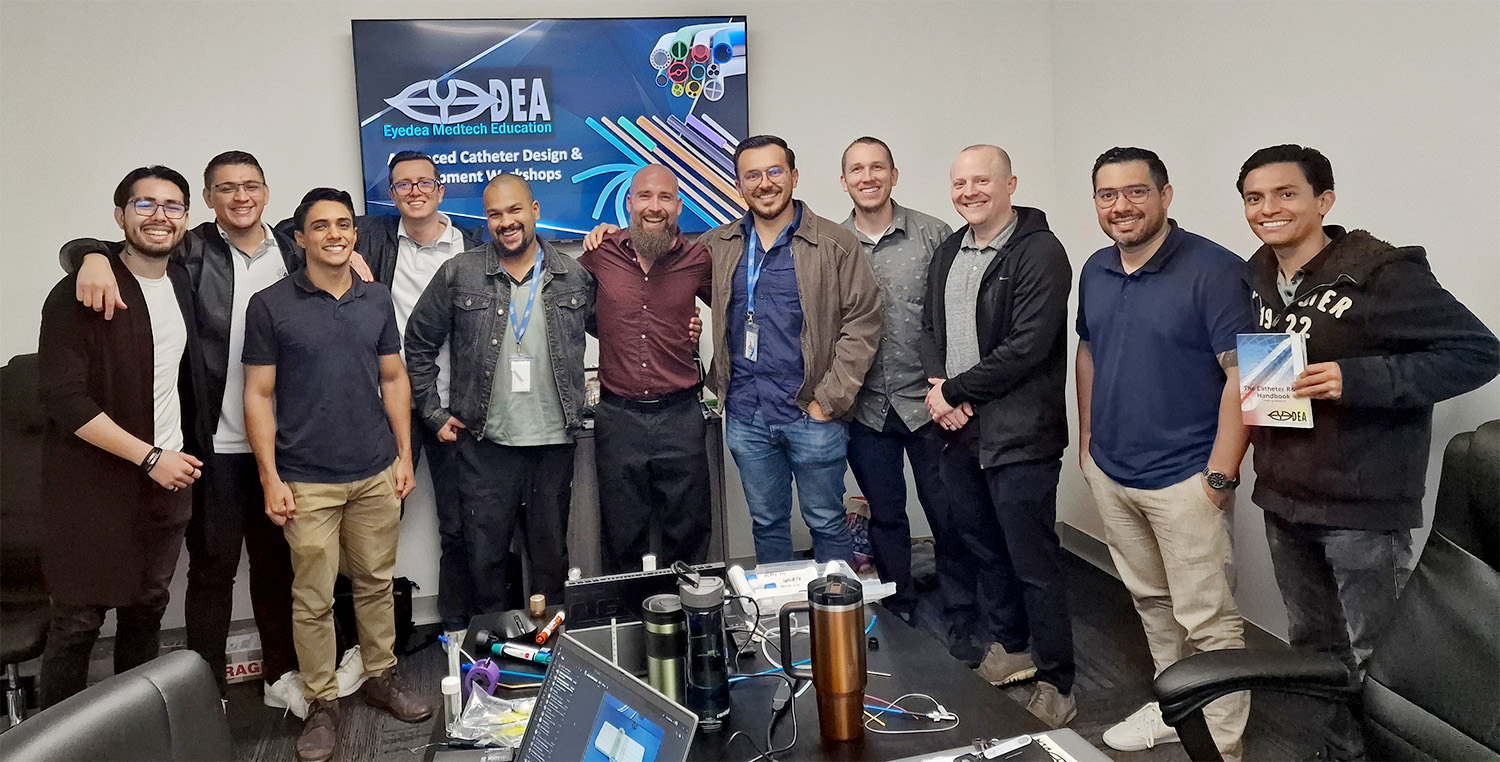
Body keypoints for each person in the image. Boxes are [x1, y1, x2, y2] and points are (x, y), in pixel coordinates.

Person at [1237, 144, 1499, 759]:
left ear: (1323, 201)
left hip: (1361, 504)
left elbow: (1478, 353)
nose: (1268, 208)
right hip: (1284, 495)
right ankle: (1339, 750)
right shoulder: (1257, 274)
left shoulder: (1383, 273)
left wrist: (1356, 379)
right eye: (1254, 198)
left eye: (1285, 194)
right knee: (1314, 645)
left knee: (1378, 654)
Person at [60, 151, 310, 711]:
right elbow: (119, 247)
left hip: (282, 443)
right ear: (209, 199)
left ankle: (280, 676)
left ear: (267, 193)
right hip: (211, 443)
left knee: (277, 567)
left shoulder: (293, 250)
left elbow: (338, 253)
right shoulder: (188, 249)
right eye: (226, 188)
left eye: (251, 186)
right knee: (213, 571)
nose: (240, 197)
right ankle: (207, 691)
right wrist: (88, 256)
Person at [243, 188, 434, 762]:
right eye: (321, 226)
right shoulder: (270, 305)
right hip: (306, 479)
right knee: (314, 597)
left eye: (344, 224)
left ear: (354, 233)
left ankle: (380, 675)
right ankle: (321, 702)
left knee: (376, 583)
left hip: (375, 468)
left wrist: (404, 455)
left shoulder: (376, 298)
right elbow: (258, 394)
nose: (335, 234)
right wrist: (270, 476)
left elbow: (394, 378)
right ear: (300, 238)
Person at [1077, 148, 1253, 759]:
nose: (1121, 206)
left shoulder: (1217, 270)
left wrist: (1220, 475)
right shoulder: (1096, 268)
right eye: (1107, 195)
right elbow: (1089, 352)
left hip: (1187, 477)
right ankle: (1178, 710)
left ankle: (1222, 745)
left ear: (1165, 195)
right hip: (1114, 470)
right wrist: (1088, 443)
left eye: (1136, 192)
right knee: (1152, 603)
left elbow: (1245, 377)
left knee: (1209, 620)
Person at [36, 166, 208, 707]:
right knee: (78, 624)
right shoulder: (80, 291)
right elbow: (64, 398)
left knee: (147, 609)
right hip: (94, 485)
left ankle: (134, 726)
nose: (160, 215)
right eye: (144, 204)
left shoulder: (183, 281)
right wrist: (149, 457)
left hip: (167, 482)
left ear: (186, 218)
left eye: (172, 205)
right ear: (120, 215)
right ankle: (57, 740)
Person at [922, 145, 1076, 727]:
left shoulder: (1040, 252)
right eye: (960, 183)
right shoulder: (949, 250)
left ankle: (1059, 680)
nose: (970, 193)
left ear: (1010, 184)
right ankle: (1012, 648)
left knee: (1033, 562)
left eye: (982, 181)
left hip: (1019, 435)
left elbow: (1027, 347)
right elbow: (929, 329)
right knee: (984, 548)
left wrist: (956, 390)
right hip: (960, 432)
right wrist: (942, 391)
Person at [404, 174, 595, 613]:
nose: (506, 221)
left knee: (551, 562)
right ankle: (494, 648)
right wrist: (433, 413)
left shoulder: (574, 276)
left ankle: (548, 646)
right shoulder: (460, 272)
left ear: (535, 211)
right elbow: (417, 343)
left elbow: (615, 328)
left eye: (514, 210)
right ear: (486, 220)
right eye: (494, 214)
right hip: (485, 444)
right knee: (485, 561)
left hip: (553, 444)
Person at [703, 134, 882, 563]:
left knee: (827, 521)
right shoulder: (717, 245)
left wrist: (829, 401)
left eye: (774, 171)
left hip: (812, 413)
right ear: (738, 185)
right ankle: (778, 607)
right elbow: (664, 259)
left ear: (794, 176)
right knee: (767, 523)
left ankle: (835, 607)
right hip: (746, 413)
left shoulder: (836, 243)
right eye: (752, 175)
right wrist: (610, 235)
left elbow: (864, 322)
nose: (765, 183)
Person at [835, 136, 958, 625]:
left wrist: (952, 387)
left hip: (930, 402)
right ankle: (898, 604)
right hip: (866, 406)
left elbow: (954, 317)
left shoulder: (934, 234)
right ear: (844, 181)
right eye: (857, 169)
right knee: (886, 515)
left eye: (877, 167)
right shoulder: (833, 245)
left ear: (893, 175)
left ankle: (962, 608)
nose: (868, 177)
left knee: (948, 512)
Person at [578, 165, 714, 573]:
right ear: (629, 203)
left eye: (665, 197)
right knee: (621, 533)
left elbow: (737, 307)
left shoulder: (698, 259)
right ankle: (627, 611)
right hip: (618, 418)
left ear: (679, 206)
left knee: (688, 530)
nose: (654, 206)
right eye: (645, 196)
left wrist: (697, 330)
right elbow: (572, 310)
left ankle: (689, 609)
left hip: (681, 416)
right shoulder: (600, 253)